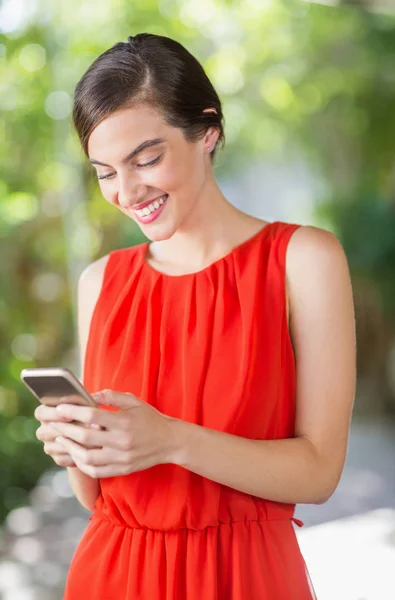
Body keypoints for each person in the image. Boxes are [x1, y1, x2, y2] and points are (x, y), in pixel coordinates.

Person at [34, 33, 356, 599]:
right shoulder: (100, 282)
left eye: (147, 159)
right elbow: (98, 498)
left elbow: (319, 473)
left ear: (207, 131)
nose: (126, 192)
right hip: (112, 574)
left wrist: (169, 440)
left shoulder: (303, 260)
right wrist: (77, 450)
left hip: (246, 578)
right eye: (105, 172)